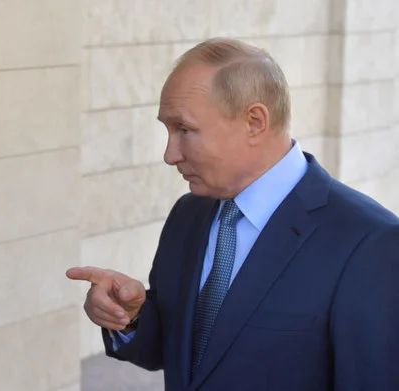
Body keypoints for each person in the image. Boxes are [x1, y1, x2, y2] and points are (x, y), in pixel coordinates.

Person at [67, 37, 399, 390]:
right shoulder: (188, 213)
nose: (169, 154)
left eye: (184, 129)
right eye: (167, 130)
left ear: (254, 121)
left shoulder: (369, 241)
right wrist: (130, 317)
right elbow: (185, 354)